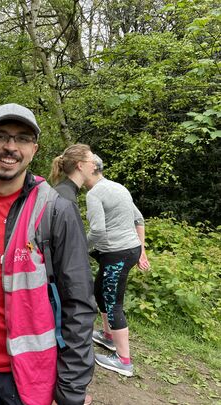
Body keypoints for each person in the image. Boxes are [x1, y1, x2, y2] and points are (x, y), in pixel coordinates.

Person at [0, 103, 96, 405]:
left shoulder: (56, 210)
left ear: (34, 149)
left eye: (22, 139)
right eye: (1, 136)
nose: (10, 147)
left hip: (33, 372)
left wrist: (71, 387)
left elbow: (79, 303)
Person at [83, 154, 150, 377]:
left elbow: (99, 231)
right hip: (126, 250)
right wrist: (141, 250)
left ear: (89, 168)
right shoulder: (118, 187)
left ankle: (124, 360)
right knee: (100, 292)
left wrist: (78, 246)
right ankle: (108, 336)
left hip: (117, 254)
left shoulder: (94, 194)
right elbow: (139, 219)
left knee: (112, 302)